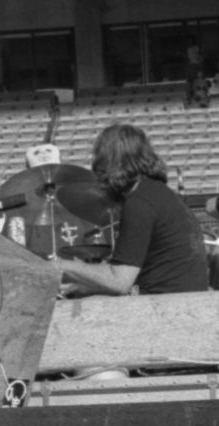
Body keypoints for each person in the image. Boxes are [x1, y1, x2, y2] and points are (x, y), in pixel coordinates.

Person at [60, 123, 208, 297]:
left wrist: (63, 267)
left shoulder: (140, 203)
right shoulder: (159, 194)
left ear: (110, 163)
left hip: (166, 305)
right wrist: (86, 288)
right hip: (183, 299)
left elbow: (120, 281)